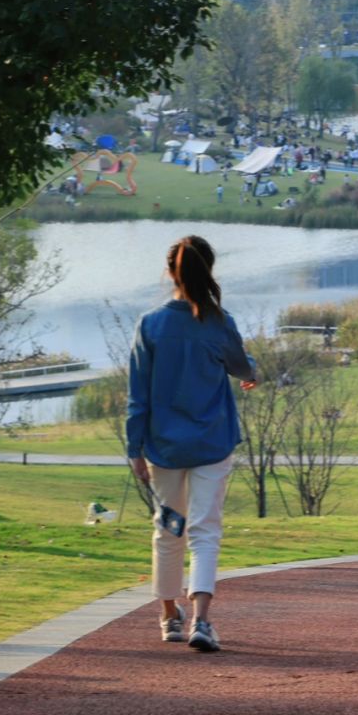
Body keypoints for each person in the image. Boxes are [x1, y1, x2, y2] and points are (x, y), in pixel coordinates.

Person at [127, 235, 256, 654]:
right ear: (210, 271)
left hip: (162, 444)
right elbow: (240, 365)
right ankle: (202, 619)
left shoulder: (150, 324)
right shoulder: (219, 321)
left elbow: (137, 394)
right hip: (212, 441)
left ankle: (169, 617)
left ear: (170, 273)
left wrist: (134, 448)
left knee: (168, 529)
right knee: (206, 529)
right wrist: (251, 372)